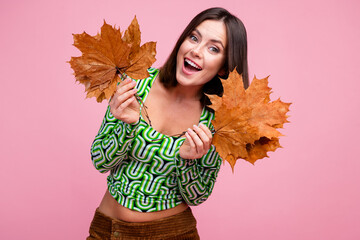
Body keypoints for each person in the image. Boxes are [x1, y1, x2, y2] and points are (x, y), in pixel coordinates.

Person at [86, 7, 249, 240]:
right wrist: (126, 125)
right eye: (194, 37)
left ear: (224, 66)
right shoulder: (136, 84)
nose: (196, 50)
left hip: (172, 234)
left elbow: (197, 196)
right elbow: (101, 161)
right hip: (106, 231)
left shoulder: (219, 120)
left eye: (213, 48)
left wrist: (188, 161)